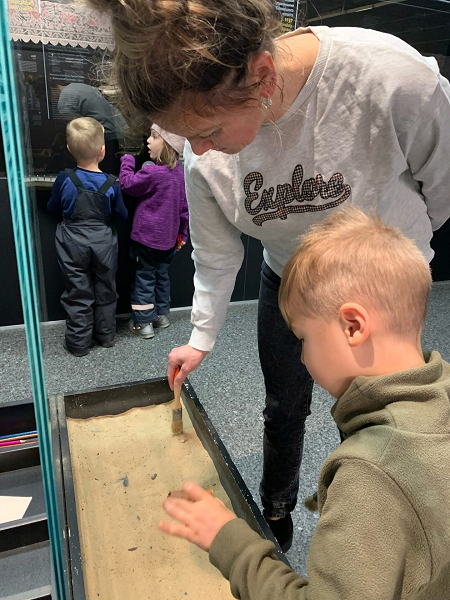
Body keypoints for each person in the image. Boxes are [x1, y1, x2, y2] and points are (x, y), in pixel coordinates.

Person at [88, 0, 450, 550]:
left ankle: (378, 523)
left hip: (381, 289)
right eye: (185, 137)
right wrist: (201, 337)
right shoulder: (200, 153)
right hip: (286, 282)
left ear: (261, 75)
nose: (199, 150)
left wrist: (389, 268)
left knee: (377, 410)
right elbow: (215, 254)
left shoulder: (392, 78)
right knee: (284, 407)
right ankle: (276, 514)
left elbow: (442, 191)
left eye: (209, 129)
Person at [159, 207, 450, 600]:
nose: (301, 357)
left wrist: (229, 542)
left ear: (353, 326)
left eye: (304, 339)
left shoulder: (368, 476)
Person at [48, 117, 127, 357]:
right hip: (103, 240)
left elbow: (53, 207)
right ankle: (106, 336)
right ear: (102, 150)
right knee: (106, 287)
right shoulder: (111, 183)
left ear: (69, 149)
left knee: (77, 289)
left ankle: (78, 343)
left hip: (71, 240)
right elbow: (121, 215)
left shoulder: (65, 178)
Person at [119, 125, 189, 339]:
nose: (148, 140)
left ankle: (144, 323)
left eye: (154, 137)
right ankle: (161, 316)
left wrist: (127, 160)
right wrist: (183, 235)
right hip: (168, 240)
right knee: (161, 276)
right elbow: (184, 209)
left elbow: (127, 184)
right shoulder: (180, 174)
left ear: (168, 145)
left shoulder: (151, 172)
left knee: (144, 278)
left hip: (145, 239)